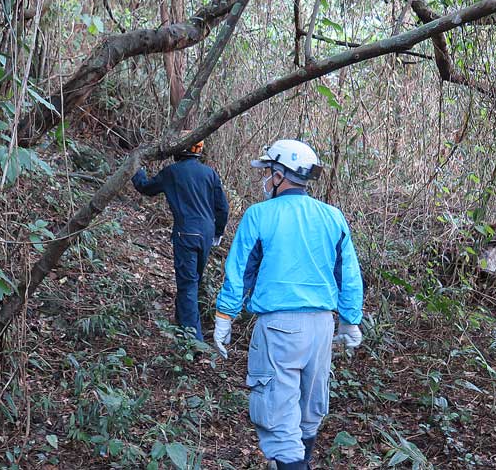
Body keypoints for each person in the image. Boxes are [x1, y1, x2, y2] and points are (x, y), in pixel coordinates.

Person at [212, 139, 364, 470]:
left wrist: (225, 315)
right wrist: (350, 320)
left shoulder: (259, 215)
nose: (265, 179)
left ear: (281, 175)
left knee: (279, 420)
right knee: (309, 412)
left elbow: (240, 271)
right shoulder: (332, 217)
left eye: (268, 172)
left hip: (279, 328)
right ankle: (299, 463)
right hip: (322, 327)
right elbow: (348, 273)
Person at [132, 132, 229, 341]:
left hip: (186, 233)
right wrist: (218, 232)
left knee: (188, 285)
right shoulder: (209, 173)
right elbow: (222, 207)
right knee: (193, 281)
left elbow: (146, 188)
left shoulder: (172, 173)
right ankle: (182, 323)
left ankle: (193, 340)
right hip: (206, 234)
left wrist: (136, 168)